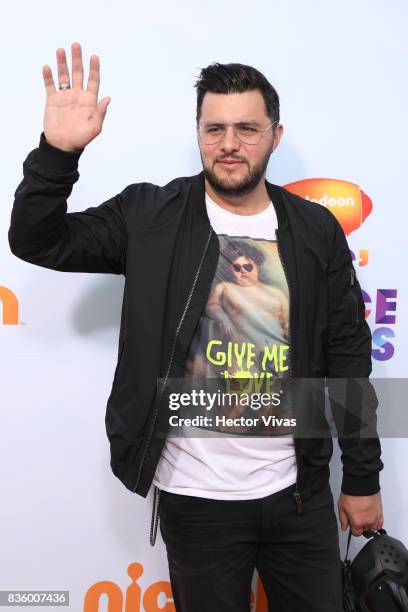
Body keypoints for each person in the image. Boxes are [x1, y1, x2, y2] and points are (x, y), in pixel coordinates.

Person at [8, 41, 384, 612]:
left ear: (274, 136)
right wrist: (57, 156)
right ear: (199, 133)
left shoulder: (314, 230)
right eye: (215, 129)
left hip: (299, 497)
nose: (229, 144)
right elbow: (37, 239)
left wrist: (361, 477)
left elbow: (350, 358)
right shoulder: (149, 215)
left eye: (247, 129)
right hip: (196, 503)